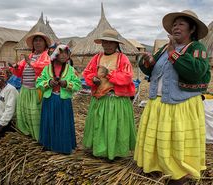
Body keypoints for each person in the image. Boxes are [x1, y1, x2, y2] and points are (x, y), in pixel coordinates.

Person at [134, 10, 211, 184]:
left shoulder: (196, 48)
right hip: (158, 102)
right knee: (160, 139)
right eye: (174, 24)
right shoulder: (164, 48)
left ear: (191, 29)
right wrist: (147, 62)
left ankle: (180, 172)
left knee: (177, 140)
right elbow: (151, 70)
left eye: (181, 24)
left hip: (181, 103)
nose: (176, 27)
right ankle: (158, 165)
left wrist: (173, 54)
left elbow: (196, 72)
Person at [82, 29, 137, 160]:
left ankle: (115, 151)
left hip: (115, 99)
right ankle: (100, 150)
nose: (108, 45)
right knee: (99, 125)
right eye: (105, 42)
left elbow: (127, 77)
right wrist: (93, 79)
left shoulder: (122, 58)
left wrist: (109, 74)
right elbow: (87, 72)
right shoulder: (97, 57)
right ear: (102, 43)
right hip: (100, 98)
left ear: (116, 44)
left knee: (114, 126)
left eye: (111, 42)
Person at [36, 44, 81, 154]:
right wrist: (48, 83)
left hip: (63, 101)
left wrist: (67, 84)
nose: (64, 55)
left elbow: (77, 85)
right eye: (61, 52)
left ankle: (62, 147)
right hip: (50, 100)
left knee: (63, 124)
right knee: (49, 122)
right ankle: (49, 145)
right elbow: (38, 83)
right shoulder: (47, 69)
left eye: (66, 53)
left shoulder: (70, 70)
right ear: (55, 54)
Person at [10, 32, 51, 141]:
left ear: (45, 44)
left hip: (36, 91)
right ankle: (26, 133)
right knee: (24, 112)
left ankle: (38, 136)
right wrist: (15, 67)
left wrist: (31, 63)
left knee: (35, 113)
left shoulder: (46, 57)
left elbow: (45, 68)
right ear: (32, 44)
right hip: (25, 89)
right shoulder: (30, 57)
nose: (37, 43)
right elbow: (19, 72)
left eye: (40, 40)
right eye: (35, 41)